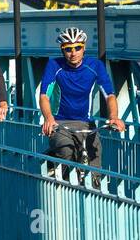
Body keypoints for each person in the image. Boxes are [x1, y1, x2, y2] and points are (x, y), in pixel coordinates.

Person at [39, 26, 125, 174]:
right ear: (62, 50)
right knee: (66, 152)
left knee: (94, 159)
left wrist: (114, 117)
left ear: (84, 48)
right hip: (60, 123)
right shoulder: (55, 65)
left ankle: (95, 189)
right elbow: (44, 96)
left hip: (86, 123)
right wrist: (48, 118)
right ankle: (64, 188)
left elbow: (109, 95)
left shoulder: (95, 66)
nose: (73, 53)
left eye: (77, 48)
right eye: (68, 49)